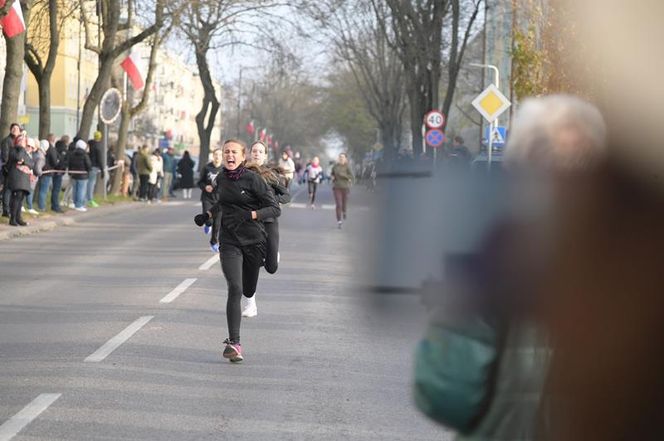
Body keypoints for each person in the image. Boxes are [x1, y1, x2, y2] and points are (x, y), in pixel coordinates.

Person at [194, 139, 280, 363]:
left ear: (243, 156)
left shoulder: (253, 179)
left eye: (234, 152)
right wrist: (208, 216)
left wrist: (251, 215)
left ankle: (251, 298)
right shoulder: (221, 178)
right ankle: (234, 343)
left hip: (253, 241)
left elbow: (274, 208)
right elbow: (222, 203)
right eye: (226, 152)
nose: (229, 155)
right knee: (235, 287)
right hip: (230, 240)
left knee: (248, 289)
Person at [243, 140, 291, 317]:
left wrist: (273, 202)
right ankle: (250, 304)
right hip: (249, 223)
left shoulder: (271, 175)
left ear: (265, 155)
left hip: (269, 221)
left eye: (260, 151)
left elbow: (286, 195)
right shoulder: (242, 173)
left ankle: (272, 254)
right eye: (254, 150)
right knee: (251, 264)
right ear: (249, 153)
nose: (256, 153)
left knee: (271, 267)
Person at [198, 148, 224, 252]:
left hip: (219, 200)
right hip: (207, 198)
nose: (217, 157)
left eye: (219, 155)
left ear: (222, 157)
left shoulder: (224, 169)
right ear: (213, 156)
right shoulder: (207, 168)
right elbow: (200, 182)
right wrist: (205, 187)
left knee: (217, 223)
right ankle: (207, 224)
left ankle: (214, 242)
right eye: (216, 154)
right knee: (209, 219)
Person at [6, 134, 34, 226]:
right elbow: (18, 158)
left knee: (21, 198)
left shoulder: (26, 152)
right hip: (16, 177)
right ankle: (12, 218)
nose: (22, 142)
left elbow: (31, 163)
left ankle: (18, 217)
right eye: (21, 140)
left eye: (24, 141)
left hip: (24, 178)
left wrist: (24, 162)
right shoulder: (14, 150)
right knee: (16, 197)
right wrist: (21, 149)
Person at [1, 123, 21, 217]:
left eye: (16, 128)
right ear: (10, 129)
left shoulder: (19, 141)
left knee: (14, 190)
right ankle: (6, 210)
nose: (15, 130)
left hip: (17, 170)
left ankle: (13, 210)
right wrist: (9, 166)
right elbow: (5, 156)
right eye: (13, 128)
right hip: (8, 169)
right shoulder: (7, 141)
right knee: (7, 190)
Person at [331, 152, 354, 229]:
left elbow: (352, 176)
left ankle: (344, 211)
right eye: (340, 157)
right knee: (339, 204)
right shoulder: (335, 166)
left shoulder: (347, 167)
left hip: (345, 187)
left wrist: (343, 175)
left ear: (345, 158)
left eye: (343, 157)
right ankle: (339, 221)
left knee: (344, 204)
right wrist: (332, 177)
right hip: (337, 187)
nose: (341, 158)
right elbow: (332, 174)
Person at [67, 139, 92, 212]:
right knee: (81, 190)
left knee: (75, 189)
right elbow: (88, 164)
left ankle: (75, 203)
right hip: (83, 175)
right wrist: (88, 170)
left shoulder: (72, 154)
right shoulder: (85, 155)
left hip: (74, 174)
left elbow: (70, 164)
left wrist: (70, 172)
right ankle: (79, 205)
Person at [24, 138, 45, 215]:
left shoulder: (33, 154)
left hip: (30, 173)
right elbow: (37, 168)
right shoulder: (39, 155)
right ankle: (29, 207)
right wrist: (40, 173)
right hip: (33, 175)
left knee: (27, 190)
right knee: (30, 191)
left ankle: (26, 206)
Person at [37, 136, 58, 212]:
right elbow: (54, 161)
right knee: (44, 190)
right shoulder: (50, 149)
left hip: (44, 171)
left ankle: (41, 205)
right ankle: (41, 206)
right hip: (47, 171)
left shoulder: (43, 149)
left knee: (43, 190)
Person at [86, 131, 105, 207]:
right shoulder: (98, 146)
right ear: (100, 138)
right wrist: (102, 169)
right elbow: (99, 158)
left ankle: (86, 199)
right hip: (94, 166)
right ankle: (90, 200)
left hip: (88, 165)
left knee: (87, 183)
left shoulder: (90, 144)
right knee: (91, 183)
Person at [51, 136, 69, 213]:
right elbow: (62, 161)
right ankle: (55, 206)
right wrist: (62, 169)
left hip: (55, 170)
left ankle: (54, 205)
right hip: (59, 171)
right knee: (57, 189)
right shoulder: (63, 149)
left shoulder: (56, 147)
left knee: (55, 189)